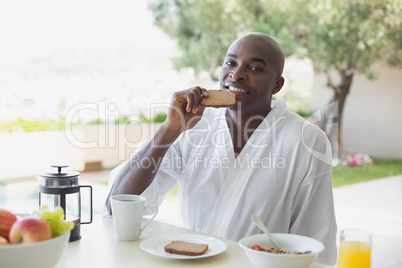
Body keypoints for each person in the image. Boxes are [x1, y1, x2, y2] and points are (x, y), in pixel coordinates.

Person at [105, 32, 337, 265]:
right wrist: (170, 129)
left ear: (277, 84)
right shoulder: (194, 127)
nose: (236, 75)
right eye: (230, 63)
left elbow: (315, 238)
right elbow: (119, 203)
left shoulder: (306, 139)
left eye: (255, 68)